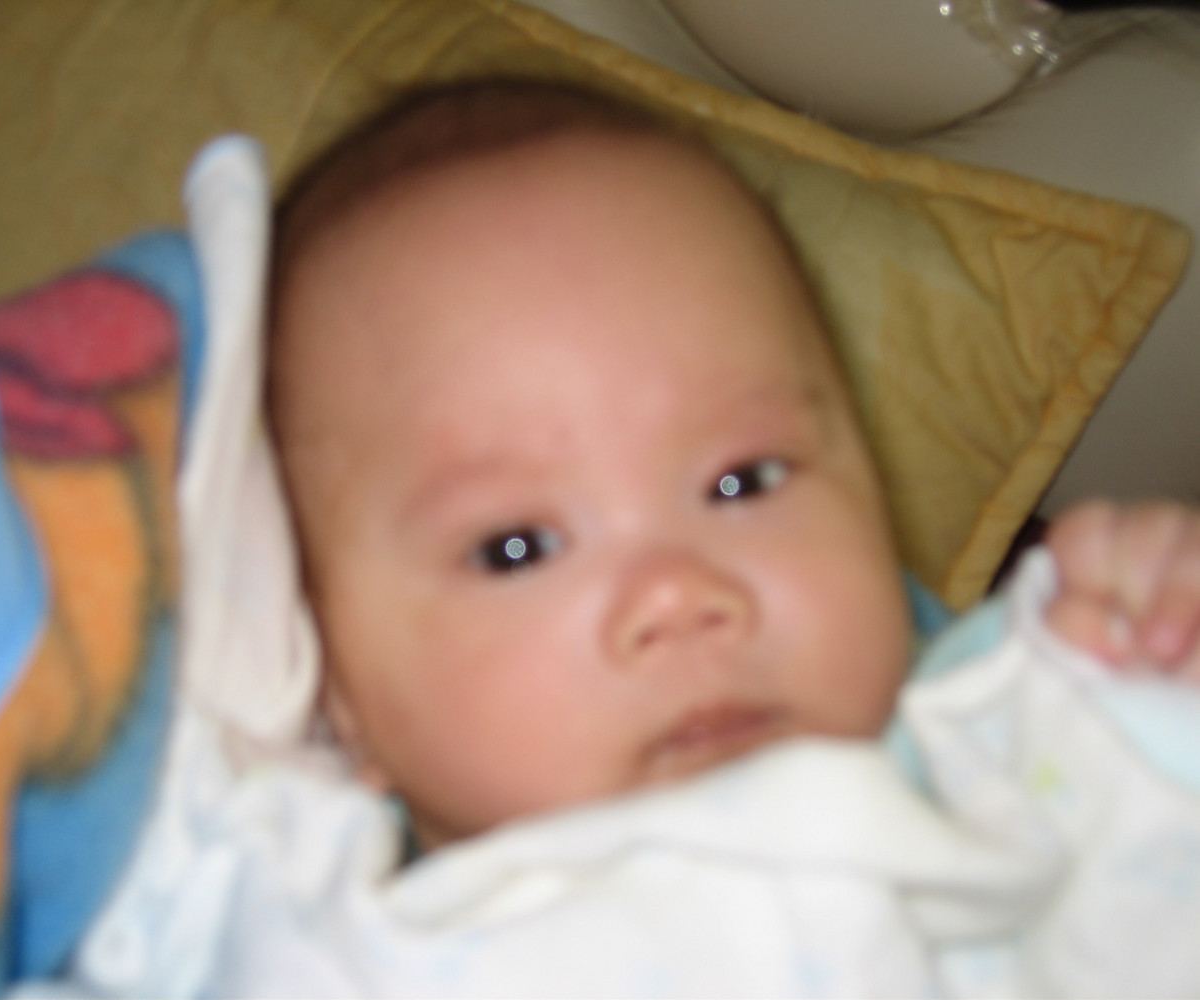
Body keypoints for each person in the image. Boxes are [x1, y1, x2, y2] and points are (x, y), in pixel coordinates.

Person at [266, 77, 1200, 852]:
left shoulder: (995, 755)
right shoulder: (305, 940)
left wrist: (1144, 672)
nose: (679, 593)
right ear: (334, 692)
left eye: (741, 482)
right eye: (516, 547)